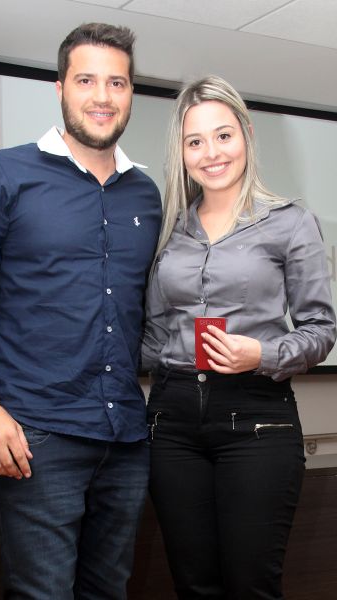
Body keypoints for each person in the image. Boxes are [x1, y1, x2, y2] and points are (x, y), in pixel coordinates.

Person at [0, 23, 162, 600]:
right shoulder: (3, 174)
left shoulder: (146, 194)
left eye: (117, 82)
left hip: (125, 435)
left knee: (109, 590)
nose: (102, 96)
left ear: (131, 93)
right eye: (86, 80)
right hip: (35, 434)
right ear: (60, 88)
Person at [142, 75, 336, 600]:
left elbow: (321, 329)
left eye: (223, 135)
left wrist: (263, 354)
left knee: (252, 586)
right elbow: (154, 335)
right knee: (193, 585)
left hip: (257, 419)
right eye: (195, 141)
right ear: (182, 153)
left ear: (246, 134)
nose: (211, 153)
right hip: (171, 422)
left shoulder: (291, 222)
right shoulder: (169, 231)